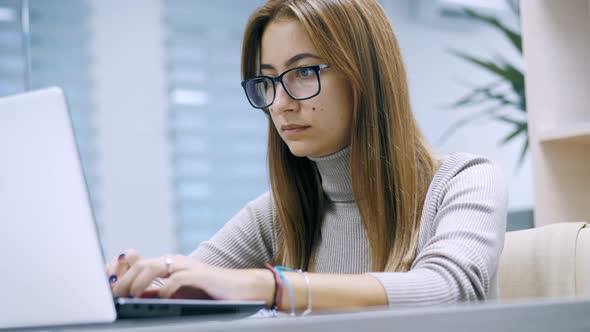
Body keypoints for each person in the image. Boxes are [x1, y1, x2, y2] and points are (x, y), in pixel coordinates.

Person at [107, 0, 508, 313]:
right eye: (267, 81)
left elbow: (447, 289)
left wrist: (271, 286)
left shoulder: (464, 181)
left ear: (364, 75)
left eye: (304, 72)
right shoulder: (278, 215)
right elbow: (183, 286)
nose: (279, 104)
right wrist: (134, 284)